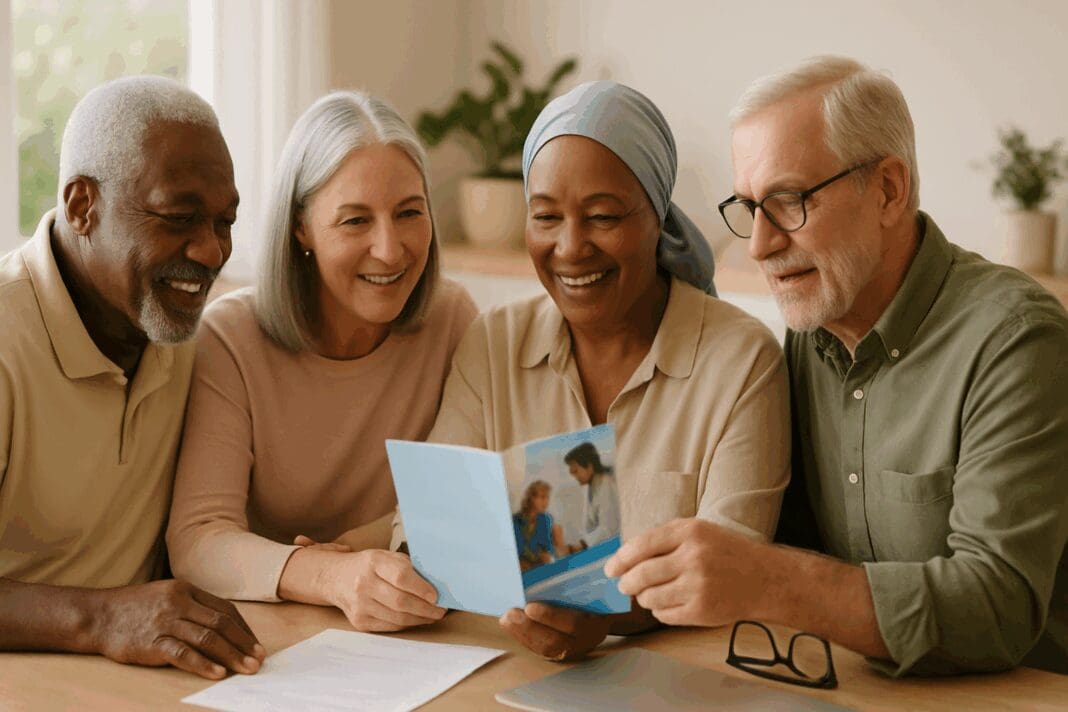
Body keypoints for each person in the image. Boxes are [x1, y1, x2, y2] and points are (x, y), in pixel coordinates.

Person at [607, 56, 1068, 676]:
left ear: (888, 190)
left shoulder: (1016, 340)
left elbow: (998, 608)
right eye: (749, 208)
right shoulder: (810, 333)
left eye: (791, 201)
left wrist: (769, 579)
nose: (761, 246)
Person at [412, 80, 791, 661]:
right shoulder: (493, 343)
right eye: (545, 217)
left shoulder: (742, 360)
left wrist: (610, 610)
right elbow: (433, 532)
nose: (570, 247)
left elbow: (727, 570)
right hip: (500, 668)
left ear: (657, 218)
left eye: (603, 216)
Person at [166, 91, 478, 634]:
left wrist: (353, 556)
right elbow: (199, 539)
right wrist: (329, 576)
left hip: (411, 633)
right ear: (300, 227)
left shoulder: (452, 319)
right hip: (271, 638)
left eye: (409, 213)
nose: (390, 248)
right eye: (355, 221)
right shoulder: (232, 337)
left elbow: (454, 506)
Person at [0, 76, 264, 680]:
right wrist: (102, 619)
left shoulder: (191, 330)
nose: (211, 251)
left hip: (148, 683)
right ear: (81, 206)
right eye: (179, 217)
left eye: (225, 221)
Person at [564, 442, 620, 548]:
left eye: (575, 471)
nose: (574, 477)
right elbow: (588, 525)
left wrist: (582, 544)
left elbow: (609, 527)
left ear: (589, 466)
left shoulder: (606, 484)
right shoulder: (591, 486)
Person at [513, 480, 563, 571]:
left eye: (547, 497)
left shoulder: (545, 519)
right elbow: (518, 550)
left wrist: (544, 555)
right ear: (531, 498)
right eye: (542, 497)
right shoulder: (516, 520)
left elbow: (547, 548)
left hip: (541, 565)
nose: (546, 502)